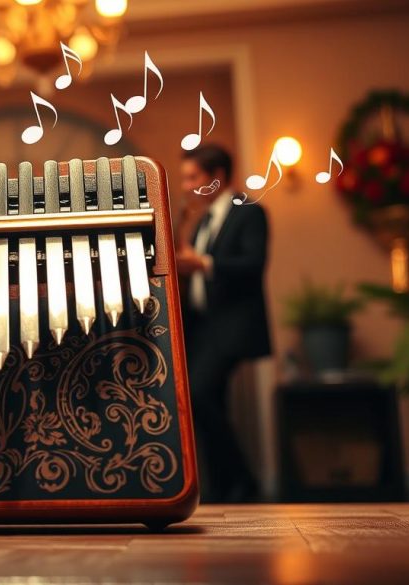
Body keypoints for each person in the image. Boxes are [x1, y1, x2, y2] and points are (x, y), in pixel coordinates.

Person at [175, 144, 271, 503]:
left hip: (231, 325)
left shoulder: (249, 212)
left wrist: (202, 263)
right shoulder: (202, 220)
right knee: (207, 398)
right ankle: (225, 488)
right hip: (203, 327)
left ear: (217, 177)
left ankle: (243, 479)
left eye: (193, 177)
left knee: (200, 394)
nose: (186, 186)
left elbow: (253, 264)